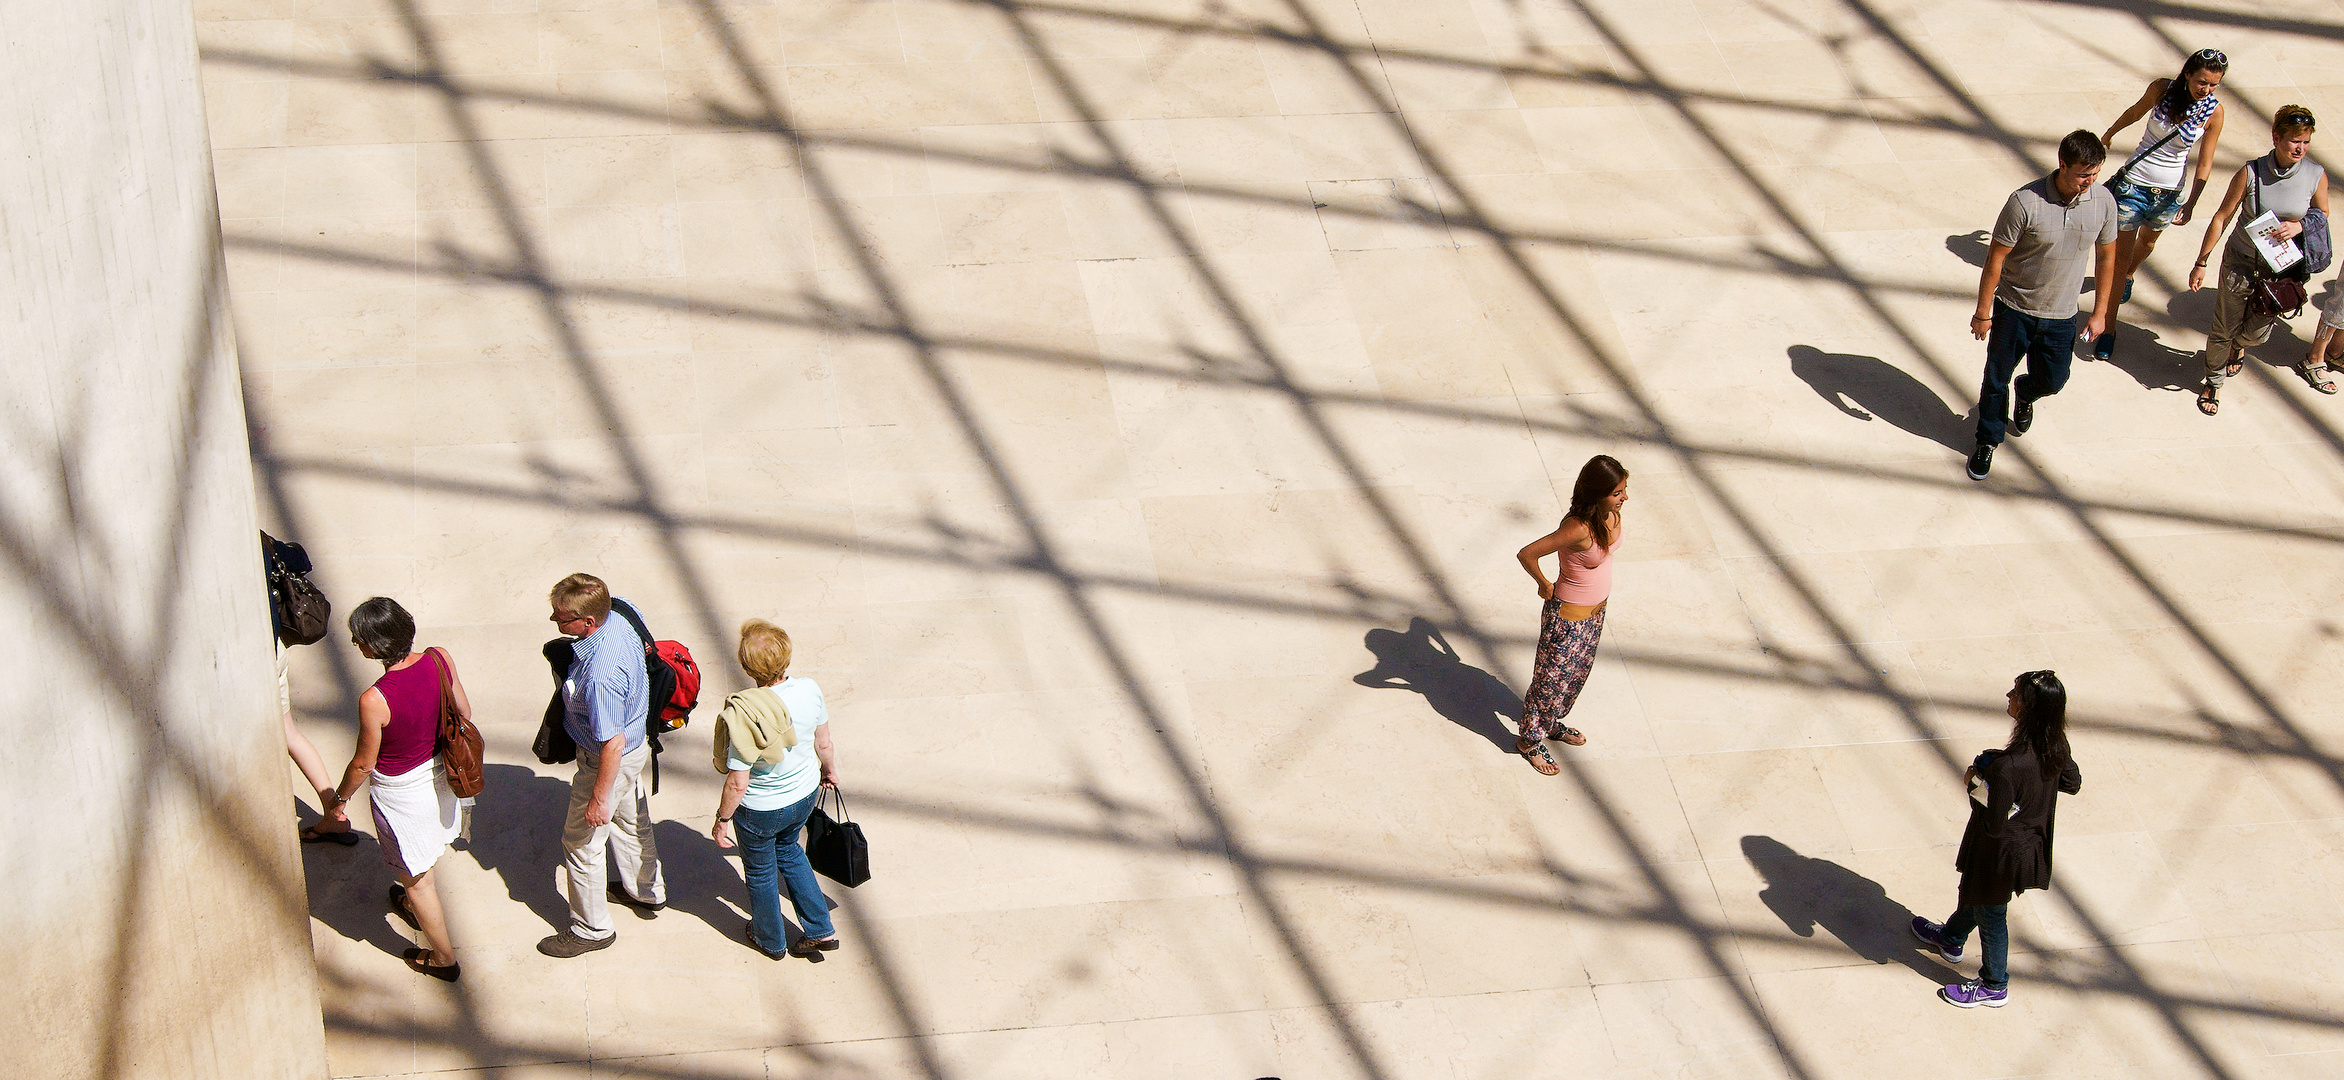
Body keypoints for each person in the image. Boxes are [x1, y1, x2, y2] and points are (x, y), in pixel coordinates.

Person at [1909, 671, 2083, 1008]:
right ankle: (1952, 938)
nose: (2008, 695)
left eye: (2015, 692)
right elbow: (2071, 782)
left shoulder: (2008, 768)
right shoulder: (2055, 745)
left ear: (2029, 707)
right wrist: (2033, 790)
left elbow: (1993, 822)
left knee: (1991, 915)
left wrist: (1974, 781)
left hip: (2000, 853)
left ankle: (1993, 984)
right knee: (1974, 896)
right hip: (2028, 846)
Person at [327, 597, 469, 981]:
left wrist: (338, 802)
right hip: (441, 779)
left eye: (360, 640)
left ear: (376, 646)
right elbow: (464, 714)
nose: (356, 645)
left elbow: (363, 763)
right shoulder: (439, 658)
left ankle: (443, 959)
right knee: (426, 855)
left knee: (419, 880)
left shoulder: (374, 699)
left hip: (402, 797)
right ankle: (411, 903)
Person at [1965, 131, 2120, 481]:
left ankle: (2027, 392)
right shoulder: (2025, 202)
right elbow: (1995, 258)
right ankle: (1987, 440)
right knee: (1995, 379)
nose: (2090, 181)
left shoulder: (2103, 202)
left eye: (2095, 173)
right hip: (2014, 309)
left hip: (2062, 315)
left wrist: (2100, 313)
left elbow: (2107, 258)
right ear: (2062, 165)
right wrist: (1982, 311)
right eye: (2083, 174)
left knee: (2055, 380)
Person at [539, 573, 668, 958]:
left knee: (581, 844)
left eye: (561, 619)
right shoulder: (622, 610)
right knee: (631, 822)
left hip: (608, 760)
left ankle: (591, 928)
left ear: (587, 622)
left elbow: (610, 743)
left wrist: (599, 797)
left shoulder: (600, 676)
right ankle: (646, 891)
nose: (555, 624)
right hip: (635, 747)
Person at [709, 619, 841, 960]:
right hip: (804, 794)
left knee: (760, 871)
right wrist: (829, 772)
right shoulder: (809, 689)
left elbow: (738, 781)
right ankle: (819, 928)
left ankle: (770, 939)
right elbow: (823, 744)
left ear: (747, 665)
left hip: (761, 809)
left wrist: (722, 819)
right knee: (791, 852)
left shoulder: (746, 711)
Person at [2189, 105, 2329, 415]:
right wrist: (2202, 261)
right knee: (2223, 327)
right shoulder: (2250, 172)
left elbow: (2322, 214)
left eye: (2306, 141)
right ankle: (2214, 378)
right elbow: (2222, 216)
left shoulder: (2315, 175)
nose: (2300, 148)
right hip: (2241, 261)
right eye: (2295, 141)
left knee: (2255, 333)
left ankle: (2237, 347)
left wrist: (2299, 225)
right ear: (2276, 137)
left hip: (2280, 269)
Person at [2095, 48, 2228, 360]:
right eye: (2201, 82)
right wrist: (2111, 132)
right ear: (2187, 75)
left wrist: (2193, 201)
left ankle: (2130, 275)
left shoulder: (2214, 112)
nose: (2205, 89)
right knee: (2117, 260)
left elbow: (2205, 161)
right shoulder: (2161, 90)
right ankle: (2109, 328)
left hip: (2169, 193)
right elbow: (2135, 111)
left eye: (2213, 85)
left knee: (2148, 243)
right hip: (2134, 185)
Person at [1510, 455, 1629, 774]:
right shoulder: (1577, 527)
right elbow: (1527, 553)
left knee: (1575, 675)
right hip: (1567, 617)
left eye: (1624, 489)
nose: (1625, 497)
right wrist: (1544, 584)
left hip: (1595, 614)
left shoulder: (1611, 514)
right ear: (1597, 493)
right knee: (1549, 680)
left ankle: (1548, 723)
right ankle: (1529, 740)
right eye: (1618, 492)